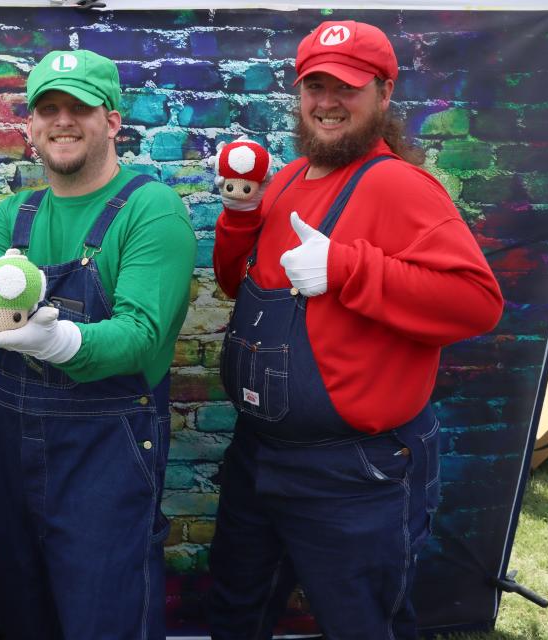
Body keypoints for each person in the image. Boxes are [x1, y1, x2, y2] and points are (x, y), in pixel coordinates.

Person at [207, 20, 503, 640]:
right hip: (257, 458)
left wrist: (346, 267)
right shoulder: (285, 179)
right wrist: (238, 222)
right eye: (315, 86)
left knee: (362, 626)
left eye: (347, 87)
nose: (328, 102)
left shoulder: (400, 187)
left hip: (356, 475)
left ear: (385, 92)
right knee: (237, 615)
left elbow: (476, 303)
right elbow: (242, 288)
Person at [0, 50, 196, 639]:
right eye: (48, 108)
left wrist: (55, 340)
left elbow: (141, 336)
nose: (63, 120)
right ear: (30, 126)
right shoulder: (14, 215)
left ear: (111, 121)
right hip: (16, 441)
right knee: (25, 602)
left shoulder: (150, 210)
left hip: (107, 448)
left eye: (79, 108)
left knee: (103, 612)